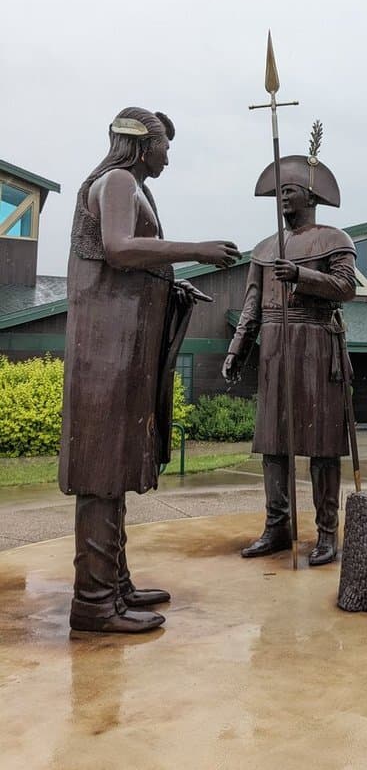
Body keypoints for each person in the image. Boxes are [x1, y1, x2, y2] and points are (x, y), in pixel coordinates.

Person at [60, 106, 239, 633]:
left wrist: (170, 282)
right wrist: (195, 251)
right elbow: (117, 249)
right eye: (163, 145)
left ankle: (113, 581)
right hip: (106, 354)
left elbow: (129, 260)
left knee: (113, 466)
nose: (167, 155)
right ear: (141, 146)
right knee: (101, 471)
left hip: (122, 349)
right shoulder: (116, 181)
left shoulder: (131, 186)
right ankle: (93, 601)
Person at [223, 151, 356, 566]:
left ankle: (327, 532)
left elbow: (347, 287)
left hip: (316, 347)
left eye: (290, 191)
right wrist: (237, 349)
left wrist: (302, 276)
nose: (283, 198)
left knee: (321, 445)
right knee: (274, 444)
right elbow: (252, 306)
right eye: (278, 192)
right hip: (275, 350)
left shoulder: (334, 239)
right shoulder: (264, 249)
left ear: (310, 196)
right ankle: (277, 526)